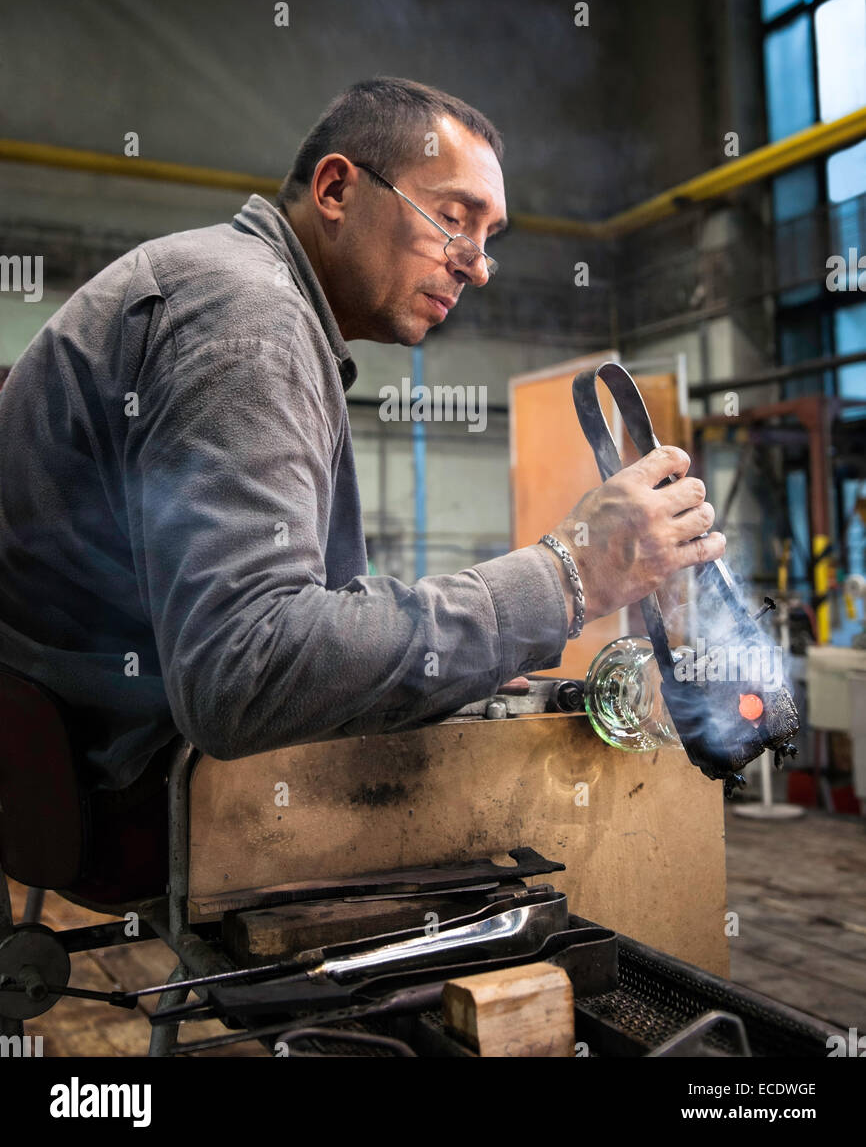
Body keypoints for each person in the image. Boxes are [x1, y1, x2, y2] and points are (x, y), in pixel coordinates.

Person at [0, 77, 724, 791]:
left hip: (75, 764)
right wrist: (567, 576)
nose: (475, 266)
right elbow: (246, 673)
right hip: (128, 785)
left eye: (486, 238)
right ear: (338, 190)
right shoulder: (250, 320)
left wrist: (470, 647)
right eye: (452, 217)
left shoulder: (241, 296)